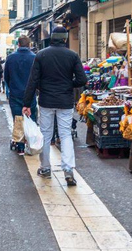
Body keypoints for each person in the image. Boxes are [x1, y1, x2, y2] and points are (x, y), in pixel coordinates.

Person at [23, 26, 88, 186]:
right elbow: (82, 80)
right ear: (65, 39)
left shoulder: (41, 55)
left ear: (51, 38)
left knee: (46, 134)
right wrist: (68, 84)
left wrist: (26, 103)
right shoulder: (72, 55)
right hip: (65, 100)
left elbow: (32, 80)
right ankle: (68, 171)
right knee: (65, 134)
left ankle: (45, 167)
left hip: (46, 100)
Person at [5, 36, 38, 122]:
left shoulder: (10, 58)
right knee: (31, 123)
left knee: (18, 124)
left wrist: (12, 88)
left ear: (18, 45)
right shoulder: (35, 57)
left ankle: (20, 135)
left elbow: (6, 77)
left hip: (15, 94)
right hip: (30, 95)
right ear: (29, 45)